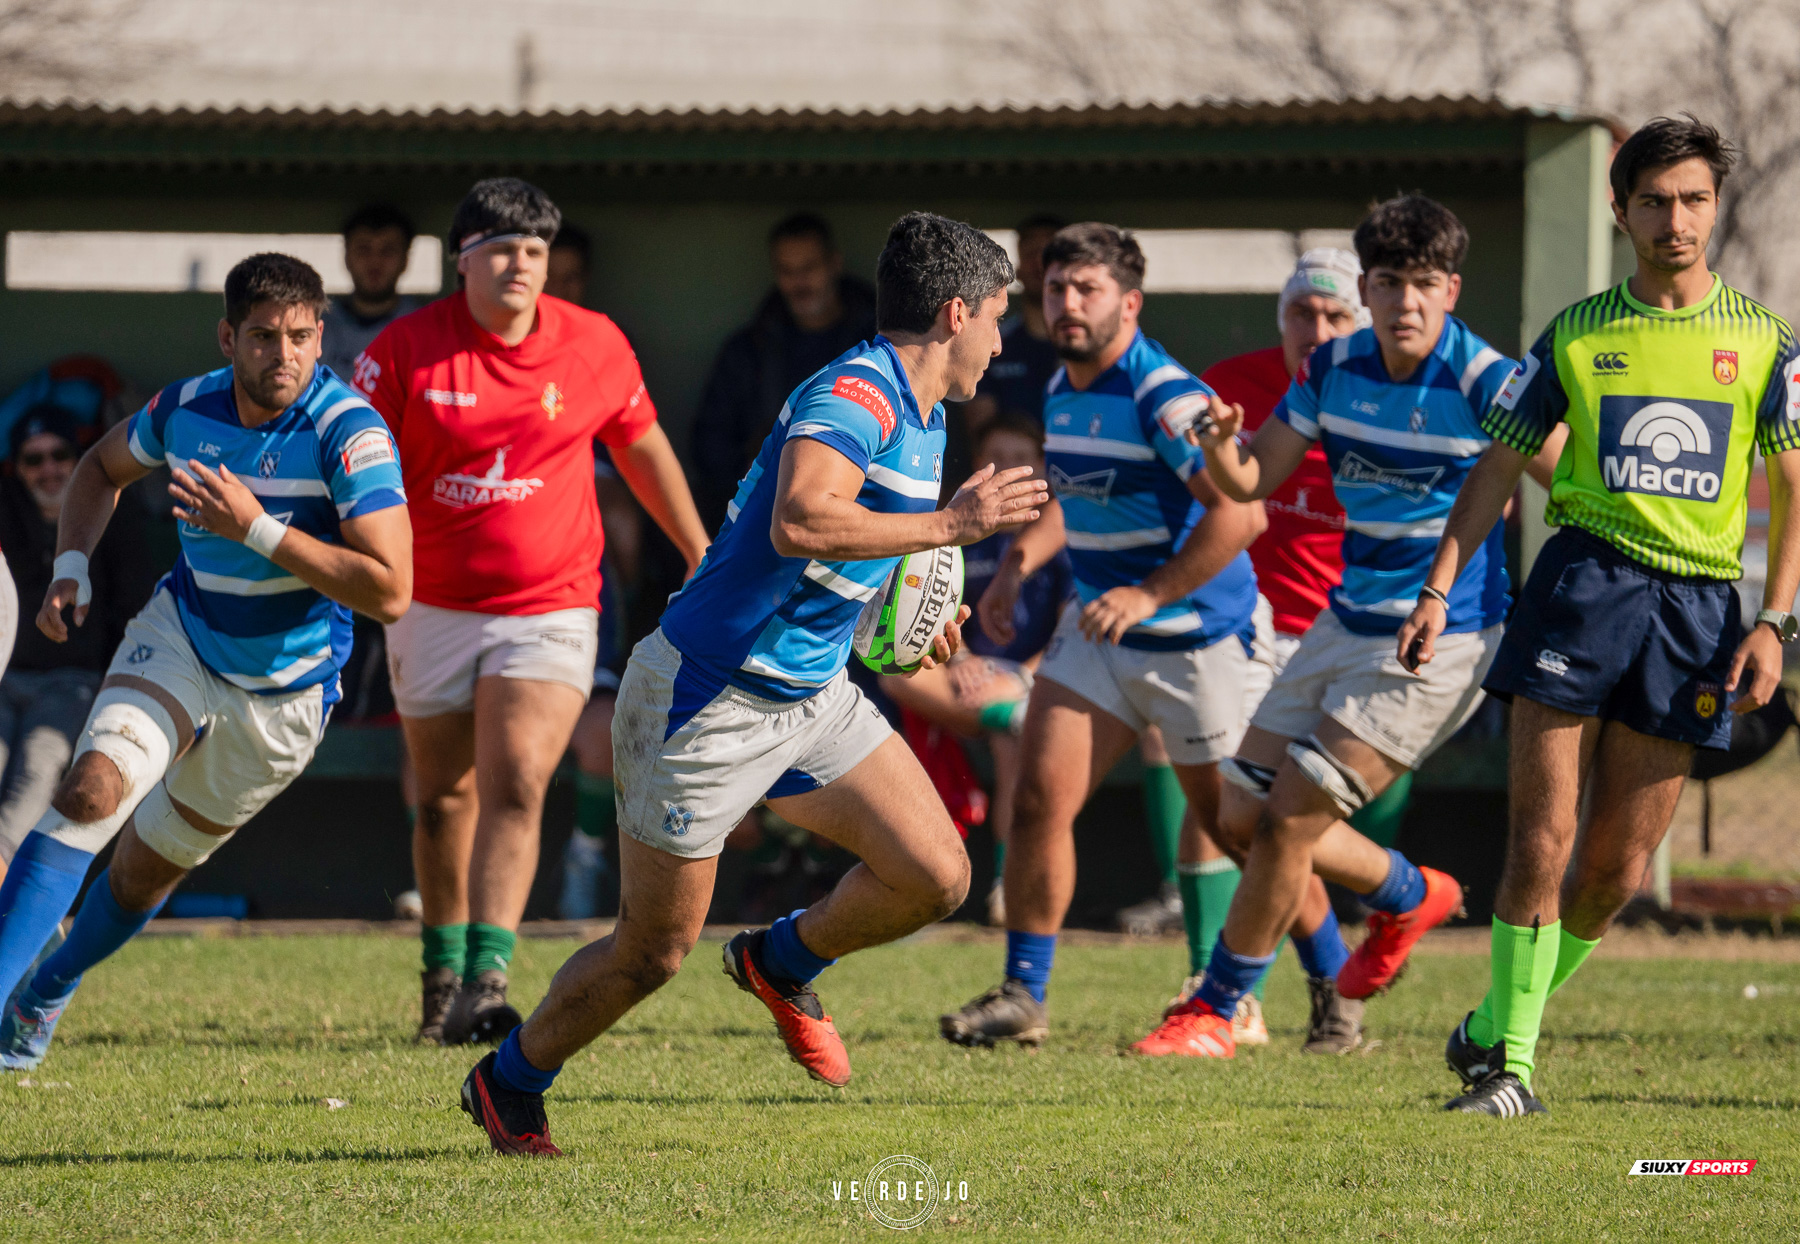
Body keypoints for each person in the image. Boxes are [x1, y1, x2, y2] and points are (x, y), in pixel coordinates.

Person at [457, 212, 1046, 1156]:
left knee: (936, 876)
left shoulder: (930, 413)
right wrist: (950, 530)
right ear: (955, 311)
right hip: (705, 699)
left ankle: (779, 960)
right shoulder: (859, 394)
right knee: (649, 956)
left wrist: (913, 609)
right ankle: (509, 1081)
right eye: (998, 318)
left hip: (811, 695)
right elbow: (802, 522)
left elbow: (842, 556)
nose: (1002, 340)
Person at [1403, 117, 1800, 1117]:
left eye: (1695, 198)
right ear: (1620, 209)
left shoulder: (1765, 342)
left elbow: (1797, 490)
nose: (1677, 218)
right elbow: (1499, 462)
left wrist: (1776, 623)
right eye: (1656, 200)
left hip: (1701, 611)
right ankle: (1513, 1072)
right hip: (1582, 584)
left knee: (1614, 869)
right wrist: (1440, 585)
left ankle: (1497, 1020)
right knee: (1541, 837)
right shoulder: (1578, 332)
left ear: (1717, 206)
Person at [1154, 195, 1551, 1063]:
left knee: (1291, 815)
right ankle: (1410, 893)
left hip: (1439, 635)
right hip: (1347, 617)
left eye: (1423, 285)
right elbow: (1253, 480)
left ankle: (1216, 1009)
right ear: (1367, 290)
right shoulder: (1332, 368)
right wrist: (1222, 447)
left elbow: (1571, 476)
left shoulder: (1485, 379)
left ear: (1450, 291)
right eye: (1389, 284)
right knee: (1237, 810)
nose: (1405, 302)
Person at [0, 253, 412, 1069]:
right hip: (183, 636)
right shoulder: (184, 407)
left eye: (299, 336)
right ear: (228, 337)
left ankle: (48, 987)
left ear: (320, 334)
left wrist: (256, 528)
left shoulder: (351, 432)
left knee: (142, 873)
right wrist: (71, 567)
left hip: (286, 694)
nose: (282, 354)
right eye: (262, 337)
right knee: (90, 791)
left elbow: (390, 590)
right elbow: (97, 470)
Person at [355, 178, 710, 1047]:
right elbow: (353, 463)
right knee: (443, 799)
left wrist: (703, 552)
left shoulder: (593, 345)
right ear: (462, 259)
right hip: (429, 602)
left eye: (536, 252)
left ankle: (487, 977)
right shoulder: (406, 350)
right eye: (503, 249)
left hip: (550, 603)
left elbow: (641, 449)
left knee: (516, 777)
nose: (521, 266)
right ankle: (441, 975)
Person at [937, 222, 1269, 1050]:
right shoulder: (1066, 383)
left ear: (1131, 302)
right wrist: (1016, 564)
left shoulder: (1166, 395)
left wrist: (1148, 593)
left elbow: (1242, 512)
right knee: (1043, 795)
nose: (1067, 304)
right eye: (1055, 288)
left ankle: (1306, 979)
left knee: (1236, 826)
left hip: (1197, 636)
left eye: (1086, 289)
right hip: (1102, 629)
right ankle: (1024, 993)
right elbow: (1076, 490)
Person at [1145, 248, 1369, 1053]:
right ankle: (1226, 992)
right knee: (1230, 801)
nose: (1317, 329)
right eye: (1302, 314)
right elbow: (1190, 496)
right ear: (1280, 319)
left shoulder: (1388, 392)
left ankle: (1349, 957)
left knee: (1286, 821)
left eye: (1337, 316)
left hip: (1361, 633)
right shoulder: (1229, 389)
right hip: (1256, 628)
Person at [875, 411, 1074, 924]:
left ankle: (1011, 886)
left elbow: (1068, 632)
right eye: (997, 458)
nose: (1009, 469)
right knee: (892, 673)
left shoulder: (1059, 538)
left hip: (1037, 679)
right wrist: (960, 656)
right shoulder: (955, 527)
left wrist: (1020, 675)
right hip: (962, 676)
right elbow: (920, 618)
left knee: (1017, 726)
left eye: (1022, 459)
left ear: (1046, 470)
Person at [0, 405, 156, 873]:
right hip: (7, 680)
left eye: (59, 455)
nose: (48, 469)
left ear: (77, 458)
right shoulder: (6, 513)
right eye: (33, 460)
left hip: (76, 682)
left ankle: (3, 868)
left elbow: (136, 610)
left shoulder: (110, 515)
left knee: (40, 763)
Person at [690, 212, 879, 532]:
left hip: (862, 499)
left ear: (834, 264)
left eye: (808, 268)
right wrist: (751, 470)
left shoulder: (879, 343)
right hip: (769, 513)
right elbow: (709, 443)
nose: (799, 282)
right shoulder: (748, 351)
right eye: (787, 271)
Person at [320, 204, 423, 383]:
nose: (375, 261)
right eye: (363, 249)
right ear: (346, 256)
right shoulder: (318, 326)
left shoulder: (423, 327)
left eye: (388, 250)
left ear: (405, 259)